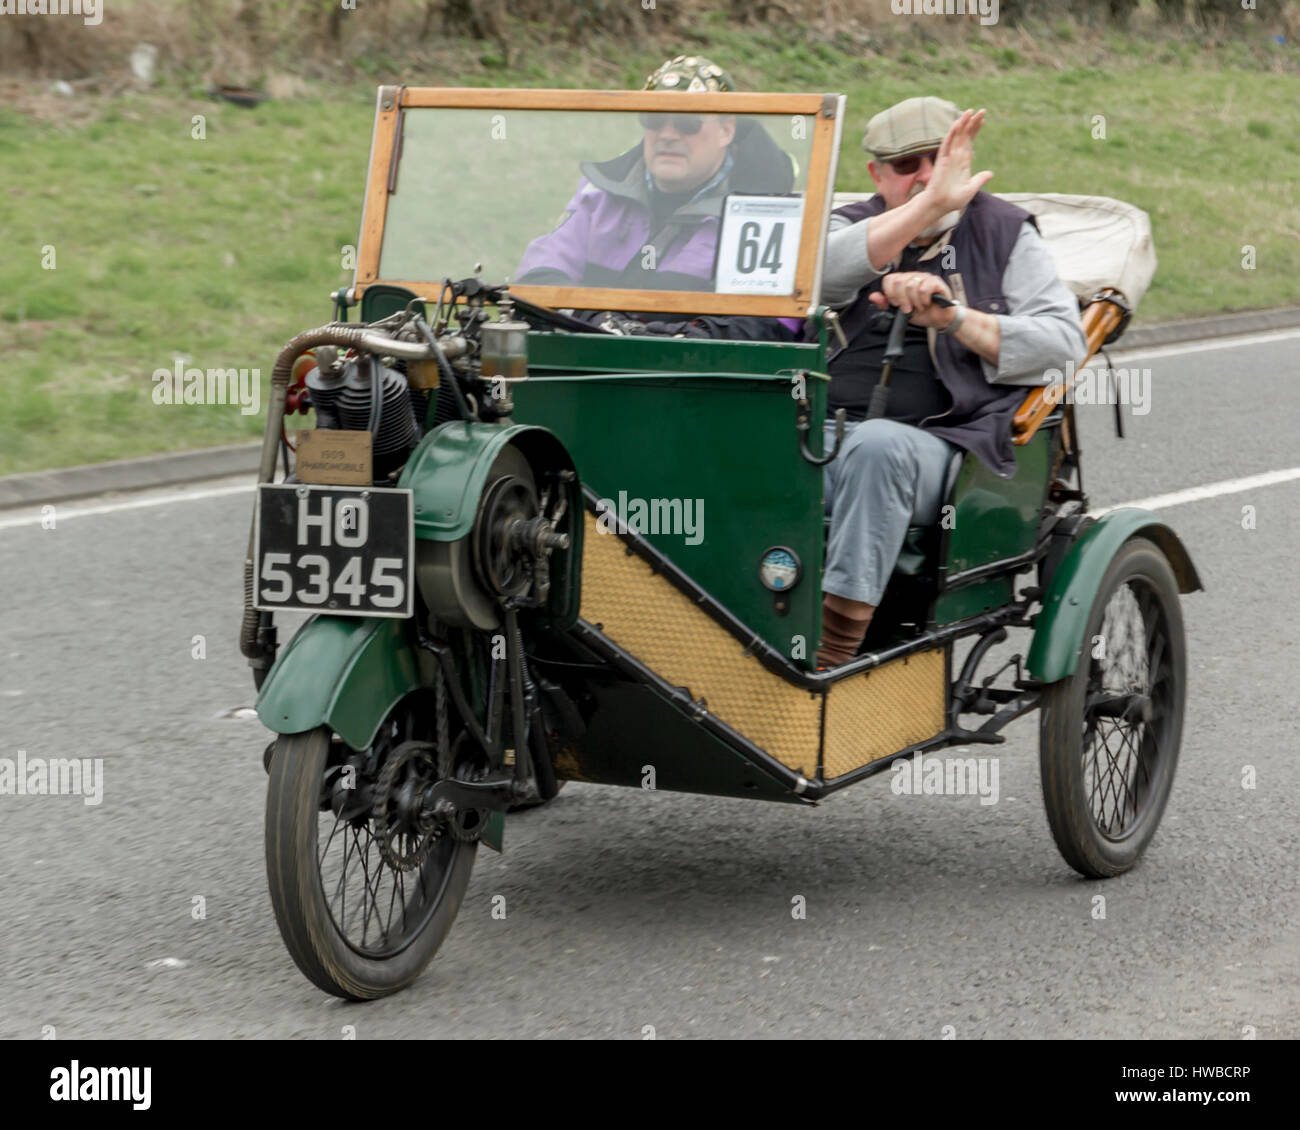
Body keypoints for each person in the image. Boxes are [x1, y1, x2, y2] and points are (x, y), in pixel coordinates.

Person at [815, 96, 1087, 669]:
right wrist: (927, 207)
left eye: (935, 163)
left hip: (950, 449)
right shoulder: (850, 225)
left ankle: (833, 652)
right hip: (816, 433)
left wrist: (955, 319)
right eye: (904, 166)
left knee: (877, 446)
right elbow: (815, 279)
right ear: (876, 175)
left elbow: (1065, 345)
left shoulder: (1005, 231)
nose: (921, 178)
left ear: (960, 163)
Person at [515, 56, 800, 340]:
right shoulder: (598, 194)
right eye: (654, 119)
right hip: (587, 364)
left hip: (694, 376)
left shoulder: (765, 211)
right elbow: (537, 279)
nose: (667, 134)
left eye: (687, 123)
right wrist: (595, 320)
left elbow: (772, 323)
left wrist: (662, 340)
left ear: (726, 131)